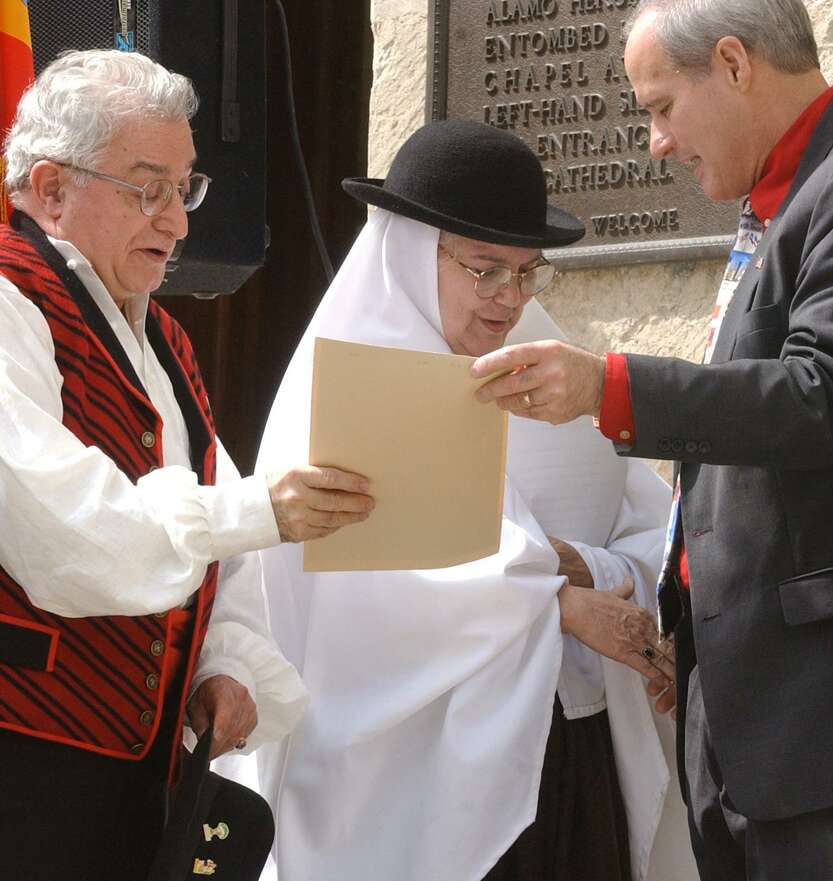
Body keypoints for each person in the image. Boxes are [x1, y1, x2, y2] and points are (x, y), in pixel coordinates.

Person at [471, 1, 833, 879]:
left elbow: (828, 396)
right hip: (768, 711)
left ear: (734, 62)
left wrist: (609, 386)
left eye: (661, 106)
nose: (655, 143)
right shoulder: (793, 195)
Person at [0, 50, 373, 881]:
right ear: (53, 186)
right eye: (148, 189)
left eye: (185, 188)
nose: (177, 222)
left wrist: (225, 658)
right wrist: (264, 511)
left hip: (127, 774)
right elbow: (62, 534)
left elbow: (220, 542)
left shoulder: (164, 344)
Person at [219, 119, 697, 881]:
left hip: (570, 751)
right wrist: (560, 604)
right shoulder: (339, 390)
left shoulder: (546, 366)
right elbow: (352, 598)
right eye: (484, 270)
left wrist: (599, 571)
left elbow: (649, 523)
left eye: (526, 272)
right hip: (412, 787)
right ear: (412, 252)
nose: (509, 299)